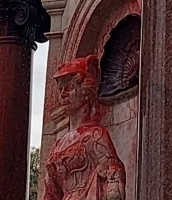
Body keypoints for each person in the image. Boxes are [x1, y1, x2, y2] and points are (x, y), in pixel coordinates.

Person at [42, 56, 126, 200]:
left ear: (86, 93)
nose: (63, 94)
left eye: (69, 88)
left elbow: (113, 171)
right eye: (61, 89)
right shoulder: (58, 146)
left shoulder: (95, 135)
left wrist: (113, 183)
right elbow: (51, 191)